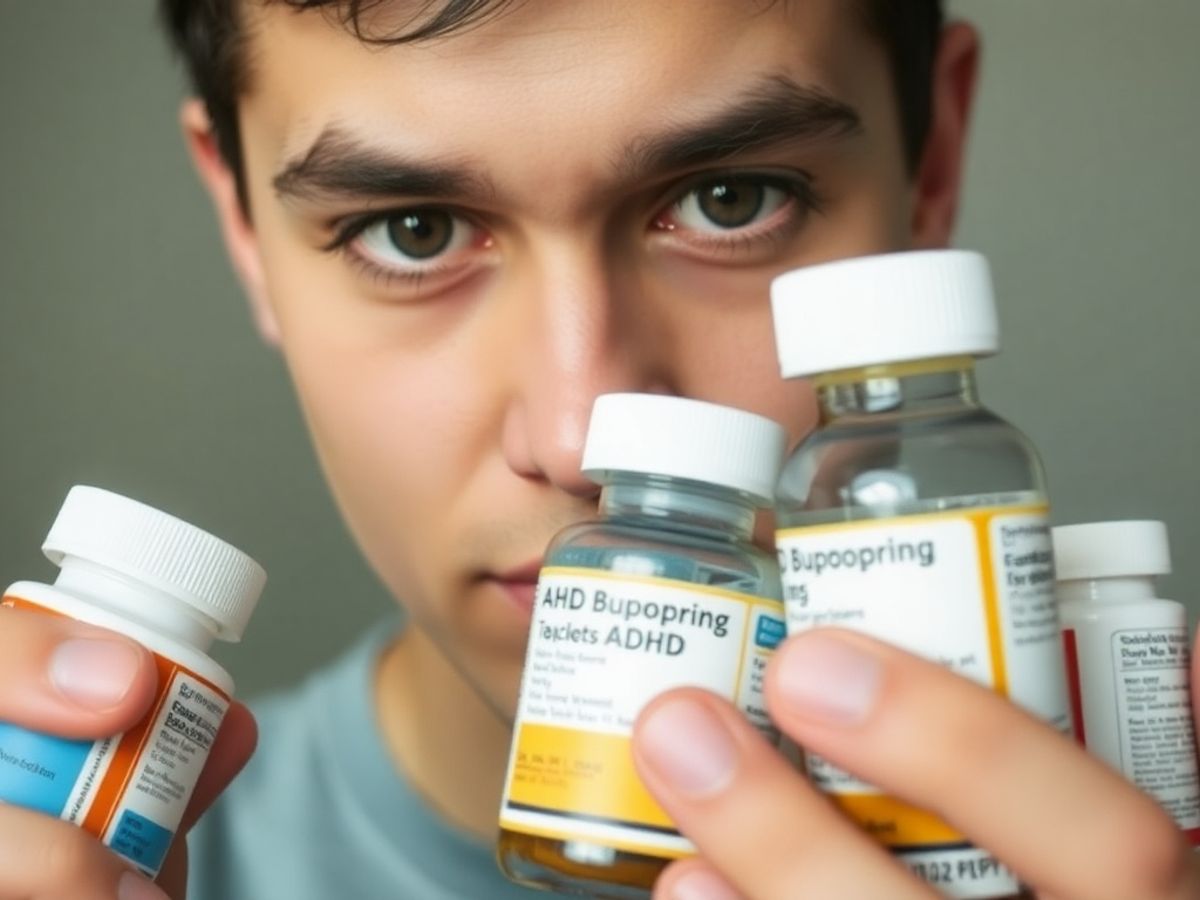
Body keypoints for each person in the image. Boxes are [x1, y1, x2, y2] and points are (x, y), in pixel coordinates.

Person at [0, 1, 1196, 898]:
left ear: (929, 162)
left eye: (735, 199)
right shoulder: (100, 860)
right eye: (413, 231)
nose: (583, 441)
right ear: (244, 228)